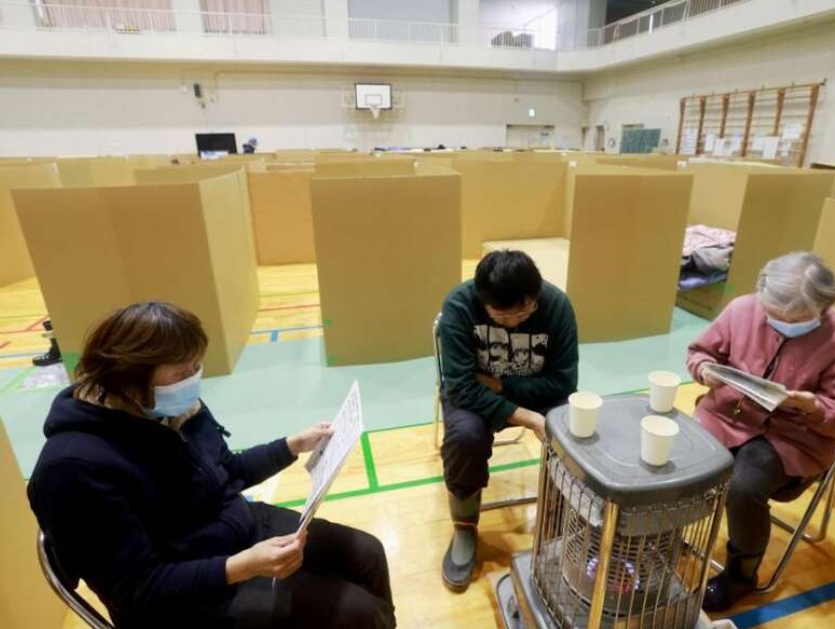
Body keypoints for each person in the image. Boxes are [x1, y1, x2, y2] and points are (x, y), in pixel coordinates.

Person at [28, 302, 395, 629]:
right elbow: (137, 590)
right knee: (356, 612)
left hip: (234, 532)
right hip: (186, 599)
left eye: (196, 367)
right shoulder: (72, 469)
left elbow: (225, 471)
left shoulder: (169, 407)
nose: (193, 380)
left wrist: (290, 446)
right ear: (128, 378)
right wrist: (243, 566)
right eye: (180, 373)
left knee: (367, 553)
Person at [686, 252, 835, 612]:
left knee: (743, 484)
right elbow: (700, 352)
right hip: (725, 415)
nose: (778, 323)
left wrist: (813, 407)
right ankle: (664, 533)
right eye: (771, 315)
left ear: (822, 309)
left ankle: (741, 574)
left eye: (793, 319)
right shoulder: (743, 309)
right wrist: (705, 371)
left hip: (793, 440)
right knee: (679, 454)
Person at [437, 250, 578, 592]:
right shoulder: (459, 305)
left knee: (573, 432)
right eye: (501, 314)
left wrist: (501, 384)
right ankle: (464, 527)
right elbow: (461, 388)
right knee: (465, 437)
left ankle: (559, 523)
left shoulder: (556, 305)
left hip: (527, 392)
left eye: (525, 310)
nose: (514, 321)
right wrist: (528, 418)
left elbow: (564, 382)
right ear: (482, 300)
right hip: (481, 399)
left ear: (537, 294)